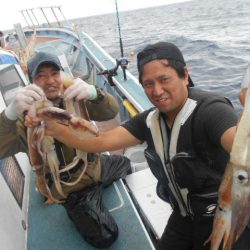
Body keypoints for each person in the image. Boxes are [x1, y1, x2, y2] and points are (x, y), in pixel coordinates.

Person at [34, 42, 250, 250]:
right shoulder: (149, 120)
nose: (157, 91)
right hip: (184, 215)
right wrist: (54, 127)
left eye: (164, 79)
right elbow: (99, 142)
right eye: (148, 84)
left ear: (185, 75)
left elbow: (241, 147)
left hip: (226, 217)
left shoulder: (211, 111)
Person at [0, 51, 131, 248]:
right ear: (31, 83)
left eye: (54, 73)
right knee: (106, 236)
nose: (50, 80)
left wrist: (95, 93)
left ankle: (98, 183)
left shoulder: (77, 96)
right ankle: (67, 203)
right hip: (71, 189)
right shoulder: (25, 119)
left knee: (126, 164)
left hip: (95, 167)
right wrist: (9, 114)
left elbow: (110, 111)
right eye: (41, 75)